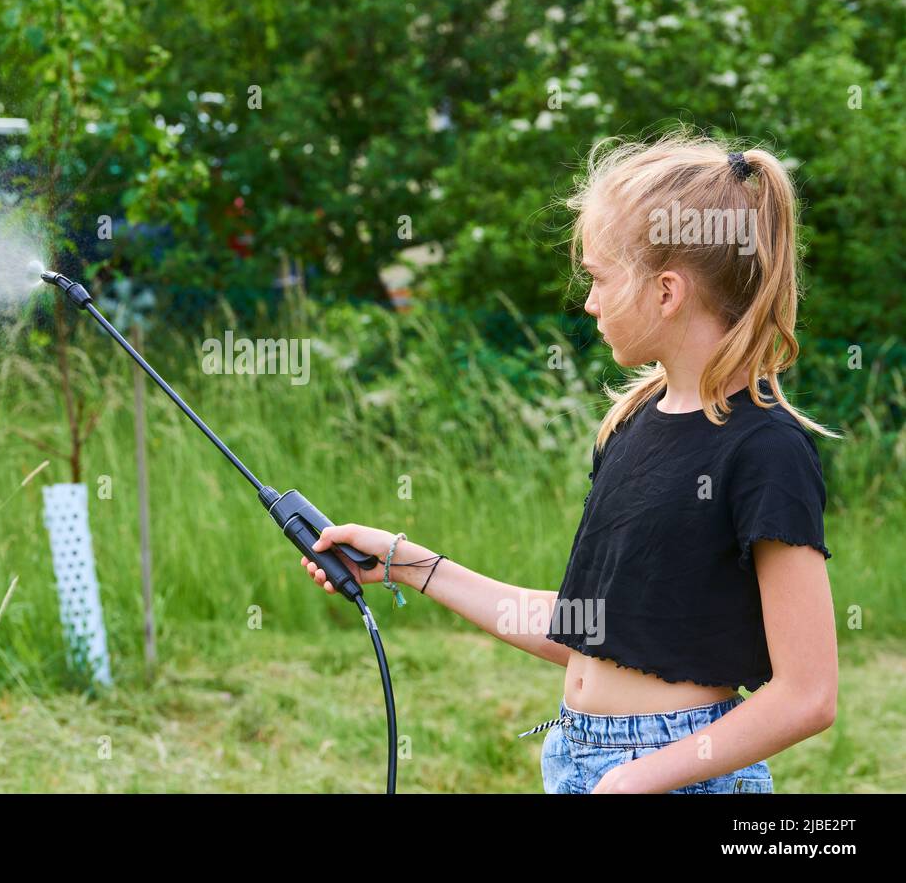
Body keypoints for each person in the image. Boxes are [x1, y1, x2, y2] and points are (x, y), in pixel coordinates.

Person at [298, 131, 839, 793]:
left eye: (600, 279)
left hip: (673, 776)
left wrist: (639, 777)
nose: (588, 301)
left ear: (667, 293)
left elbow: (808, 694)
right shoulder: (633, 423)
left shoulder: (767, 450)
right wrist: (405, 562)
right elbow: (587, 628)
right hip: (577, 758)